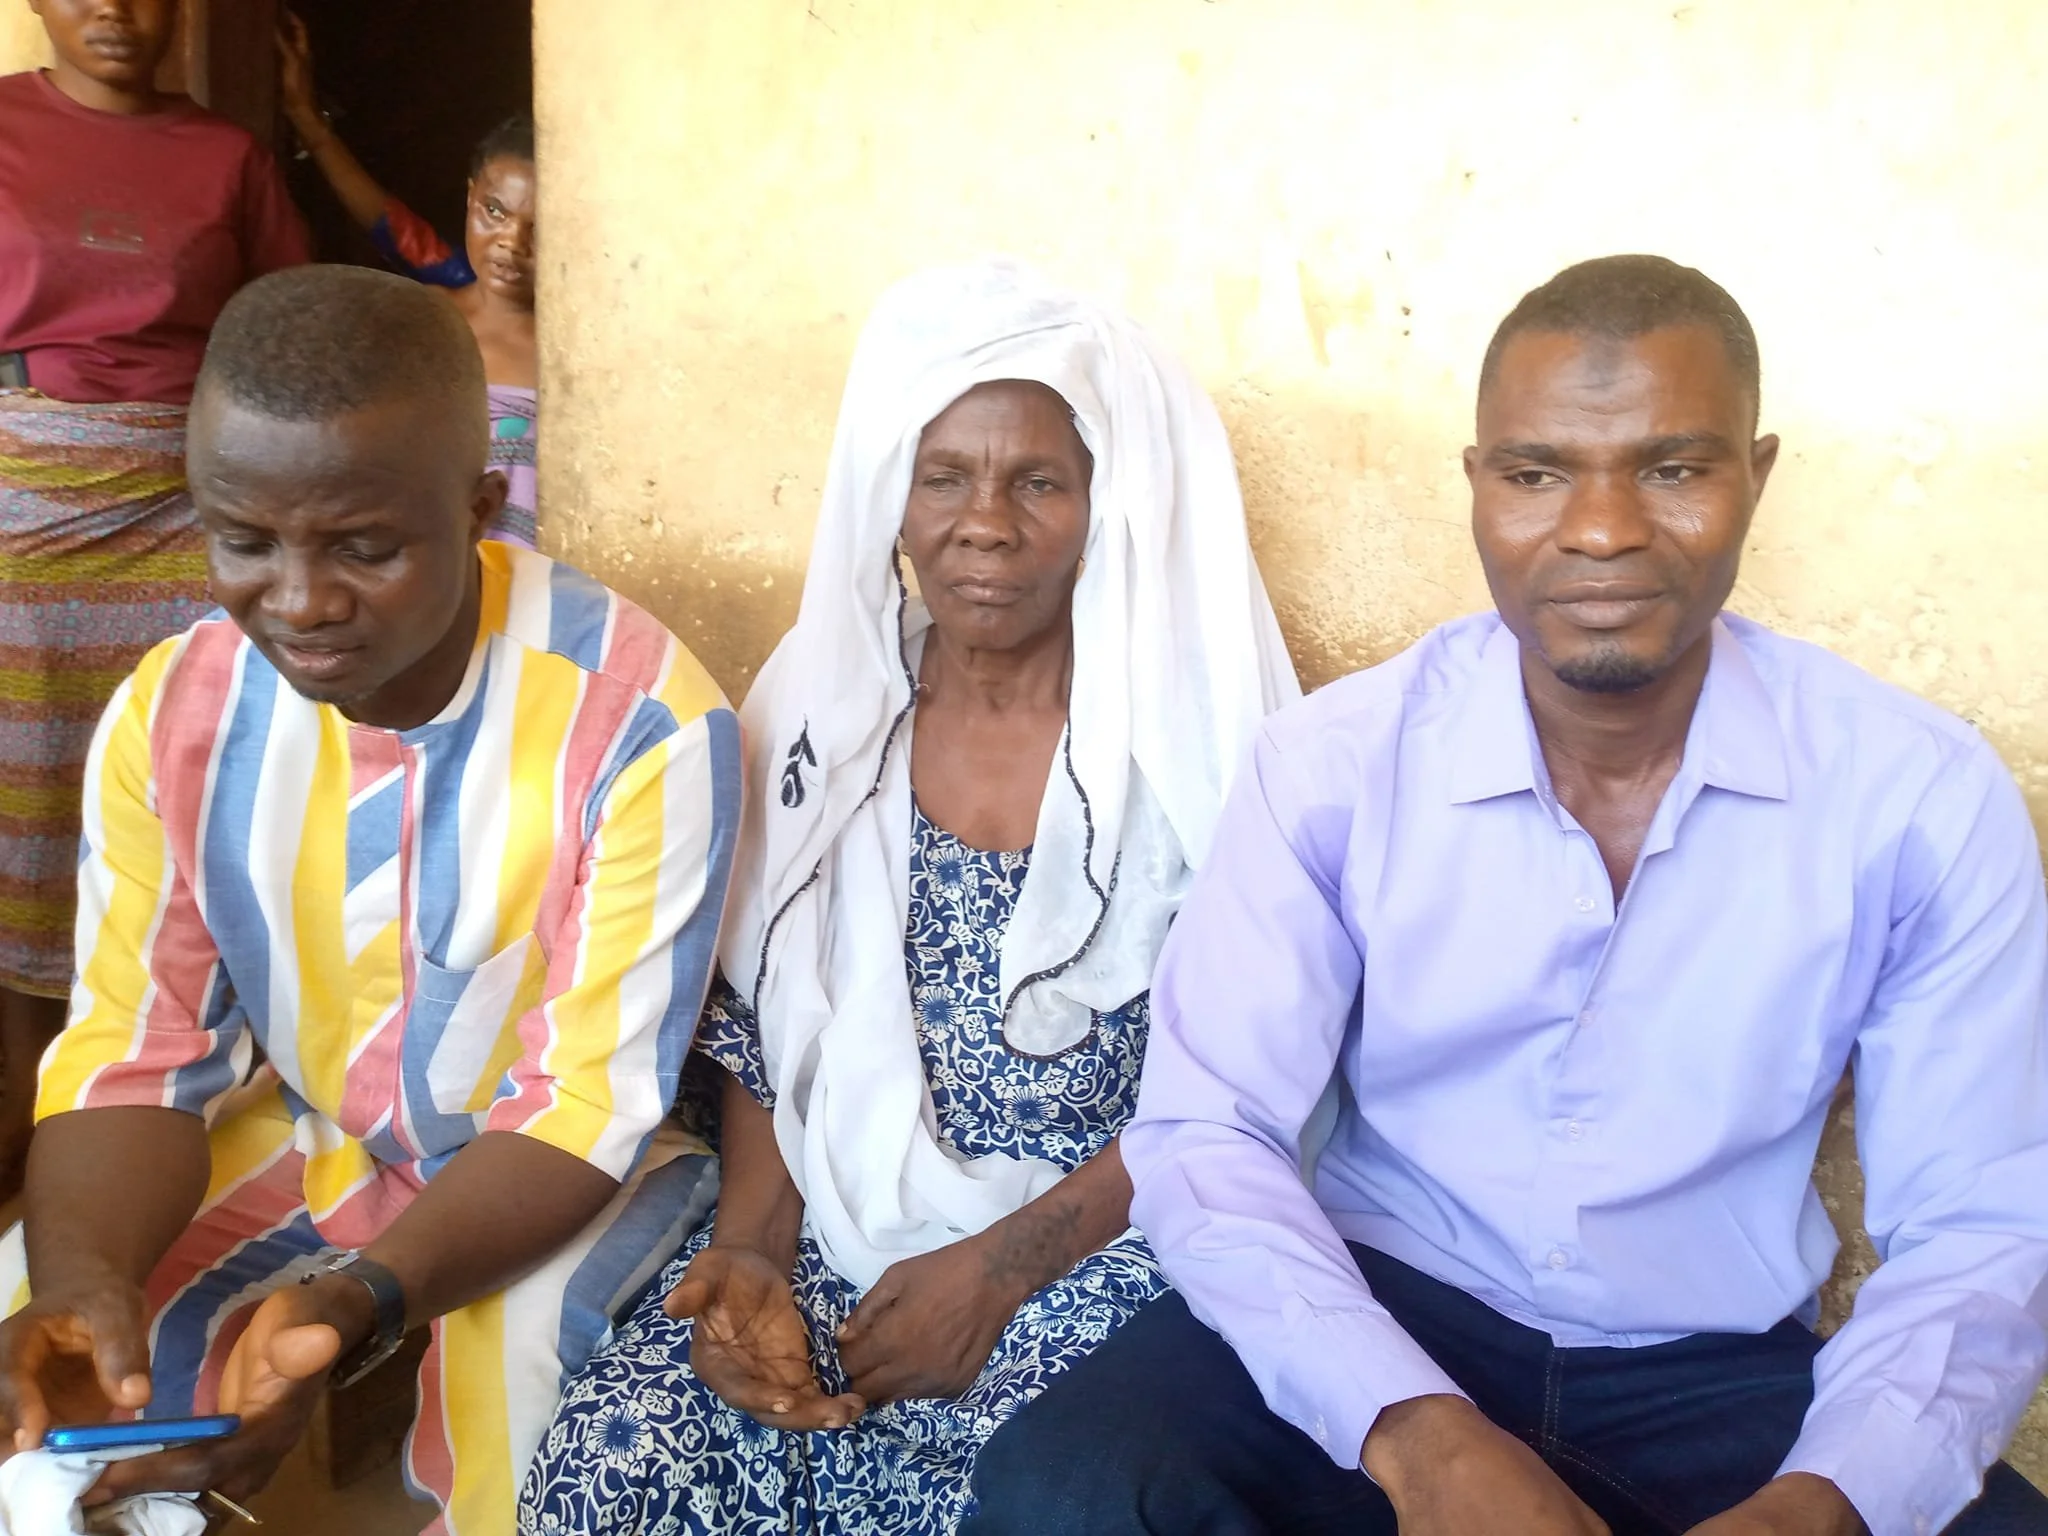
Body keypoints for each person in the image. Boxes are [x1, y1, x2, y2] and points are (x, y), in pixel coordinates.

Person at [965, 256, 2048, 1536]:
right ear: (1475, 488)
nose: (1598, 530)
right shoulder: (1334, 767)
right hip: (1390, 1314)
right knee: (1069, 1493)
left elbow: (1985, 1218)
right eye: (1536, 474)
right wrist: (1415, 1438)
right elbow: (1208, 1137)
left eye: (1670, 468)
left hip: (1711, 1369)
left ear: (1754, 477)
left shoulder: (1913, 796)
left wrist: (1815, 1507)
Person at [519, 259, 1300, 1534]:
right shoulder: (827, 715)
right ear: (894, 492)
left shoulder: (1198, 758)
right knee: (616, 1462)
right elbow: (767, 1035)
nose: (982, 523)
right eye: (945, 477)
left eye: (1037, 482)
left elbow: (1238, 1092)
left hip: (1114, 1256)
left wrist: (996, 1276)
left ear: (1110, 506)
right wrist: (756, 1255)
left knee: (1029, 1498)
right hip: (837, 1234)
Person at [0, 267, 741, 1536]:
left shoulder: (644, 724)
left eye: (363, 546)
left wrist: (355, 1309)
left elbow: (577, 1109)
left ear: (480, 506)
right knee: (40, 1327)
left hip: (570, 1167)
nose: (297, 600)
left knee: (528, 1378)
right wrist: (81, 1282)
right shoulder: (175, 712)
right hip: (315, 1133)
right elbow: (138, 1055)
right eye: (243, 540)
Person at [0, 0, 309, 1202]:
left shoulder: (222, 155)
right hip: (24, 499)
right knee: (24, 804)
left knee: (190, 768)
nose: (116, 12)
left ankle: (178, 1085)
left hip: (186, 499)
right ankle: (31, 1118)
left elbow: (282, 331)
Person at [276, 13, 539, 547]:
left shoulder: (593, 357)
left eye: (545, 228)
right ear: (470, 198)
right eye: (494, 211)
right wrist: (310, 124)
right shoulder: (422, 321)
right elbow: (393, 227)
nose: (513, 241)